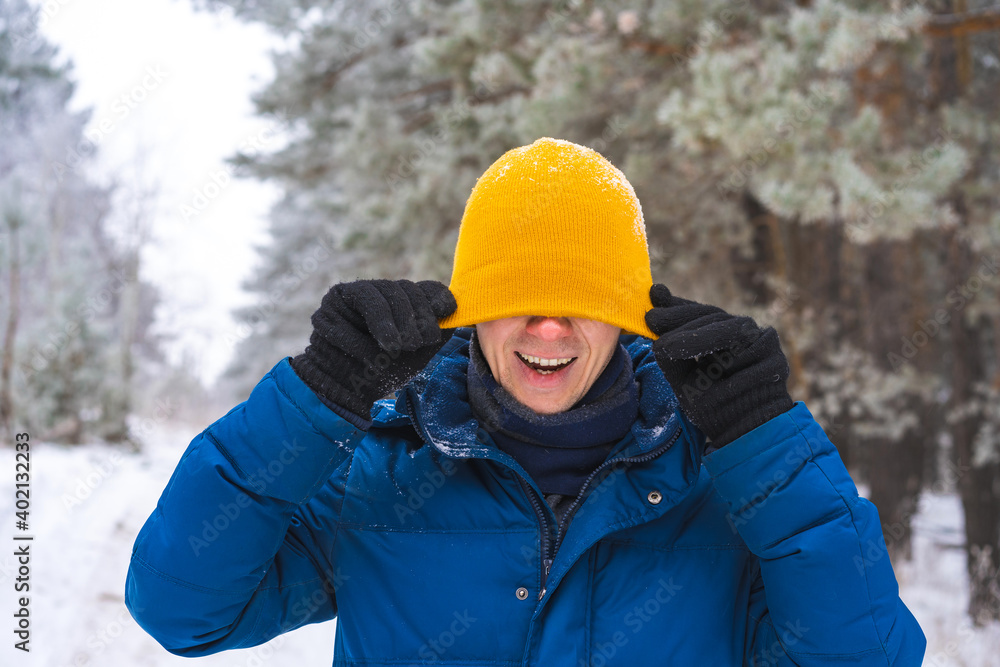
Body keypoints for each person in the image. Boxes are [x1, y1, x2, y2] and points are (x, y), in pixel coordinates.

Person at [126, 138, 926, 665]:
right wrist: (315, 398)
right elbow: (181, 606)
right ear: (472, 308)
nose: (548, 324)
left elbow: (869, 655)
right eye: (518, 294)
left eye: (579, 296)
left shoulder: (717, 487)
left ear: (623, 316)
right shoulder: (382, 473)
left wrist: (767, 441)